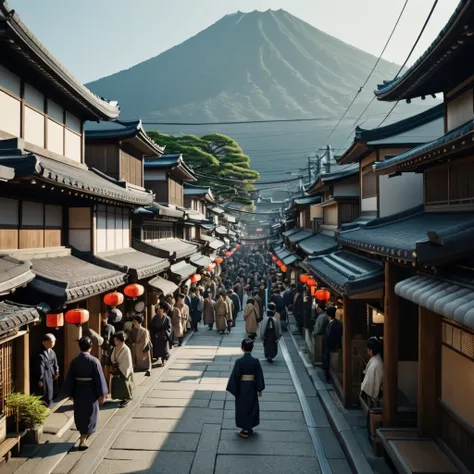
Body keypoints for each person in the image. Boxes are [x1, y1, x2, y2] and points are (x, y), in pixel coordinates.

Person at [63, 337, 108, 450]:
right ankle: (83, 439)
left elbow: (70, 379)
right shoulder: (94, 361)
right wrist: (102, 394)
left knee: (80, 414)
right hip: (91, 392)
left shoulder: (74, 361)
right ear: (91, 347)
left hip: (78, 391)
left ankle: (83, 436)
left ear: (79, 347)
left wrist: (71, 394)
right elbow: (99, 379)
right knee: (90, 415)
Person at [226, 338, 265, 439]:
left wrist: (235, 388)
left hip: (242, 386)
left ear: (242, 348)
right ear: (252, 348)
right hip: (252, 386)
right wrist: (259, 388)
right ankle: (250, 426)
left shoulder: (239, 361)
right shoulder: (255, 361)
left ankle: (244, 428)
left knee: (242, 407)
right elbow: (259, 375)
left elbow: (236, 375)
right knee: (252, 406)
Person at [34, 334, 59, 408]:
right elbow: (40, 367)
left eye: (54, 342)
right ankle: (45, 404)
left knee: (51, 388)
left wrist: (57, 371)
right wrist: (40, 378)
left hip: (51, 372)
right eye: (51, 342)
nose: (53, 343)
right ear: (45, 342)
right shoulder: (41, 353)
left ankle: (50, 402)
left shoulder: (52, 352)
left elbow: (55, 363)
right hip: (45, 373)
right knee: (45, 389)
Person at [110, 332, 134, 408]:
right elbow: (112, 358)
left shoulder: (126, 349)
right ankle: (121, 397)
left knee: (124, 384)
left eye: (116, 339)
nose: (115, 341)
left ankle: (127, 398)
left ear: (120, 340)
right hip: (117, 368)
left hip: (123, 369)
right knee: (118, 384)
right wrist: (114, 363)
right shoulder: (115, 348)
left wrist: (120, 366)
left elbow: (128, 362)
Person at [322, 305, 343, 383]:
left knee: (329, 363)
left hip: (332, 348)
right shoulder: (335, 323)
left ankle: (329, 378)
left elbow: (332, 337)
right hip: (330, 347)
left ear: (328, 315)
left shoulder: (335, 324)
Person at [361, 337, 384, 402]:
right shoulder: (376, 360)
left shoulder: (375, 364)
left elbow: (368, 387)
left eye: (367, 349)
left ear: (370, 350)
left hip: (374, 397)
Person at [101, 315, 115, 391]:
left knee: (108, 369)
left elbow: (113, 340)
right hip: (102, 350)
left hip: (109, 350)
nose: (103, 320)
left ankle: (108, 388)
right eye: (103, 318)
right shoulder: (99, 327)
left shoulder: (110, 327)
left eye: (105, 318)